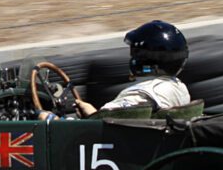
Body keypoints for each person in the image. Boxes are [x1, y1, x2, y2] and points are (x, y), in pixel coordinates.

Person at [39, 20, 192, 119]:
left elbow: (101, 124)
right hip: (151, 142)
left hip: (126, 152)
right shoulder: (180, 89)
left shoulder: (143, 93)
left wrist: (54, 119)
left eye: (136, 54)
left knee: (43, 117)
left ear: (147, 60)